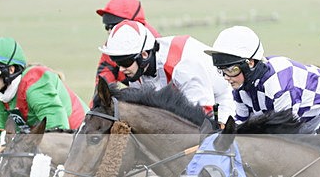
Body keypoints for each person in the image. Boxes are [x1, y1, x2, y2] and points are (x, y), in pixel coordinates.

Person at [204, 26, 320, 133]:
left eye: (232, 70)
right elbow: (241, 123)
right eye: (222, 71)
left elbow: (286, 134)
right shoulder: (240, 87)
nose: (227, 78)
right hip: (300, 120)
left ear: (250, 63)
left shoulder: (278, 85)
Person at [98, 20, 234, 123]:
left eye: (125, 63)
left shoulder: (183, 65)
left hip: (222, 100)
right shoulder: (138, 69)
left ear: (144, 55)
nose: (121, 70)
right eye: (117, 63)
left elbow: (202, 116)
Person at [0, 37, 87, 139]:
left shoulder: (35, 85)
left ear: (11, 70)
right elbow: (5, 132)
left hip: (82, 137)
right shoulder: (3, 96)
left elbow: (57, 130)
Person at [95, 0, 161, 89]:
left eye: (113, 26)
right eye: (107, 27)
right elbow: (103, 77)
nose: (110, 32)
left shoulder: (155, 42)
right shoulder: (112, 45)